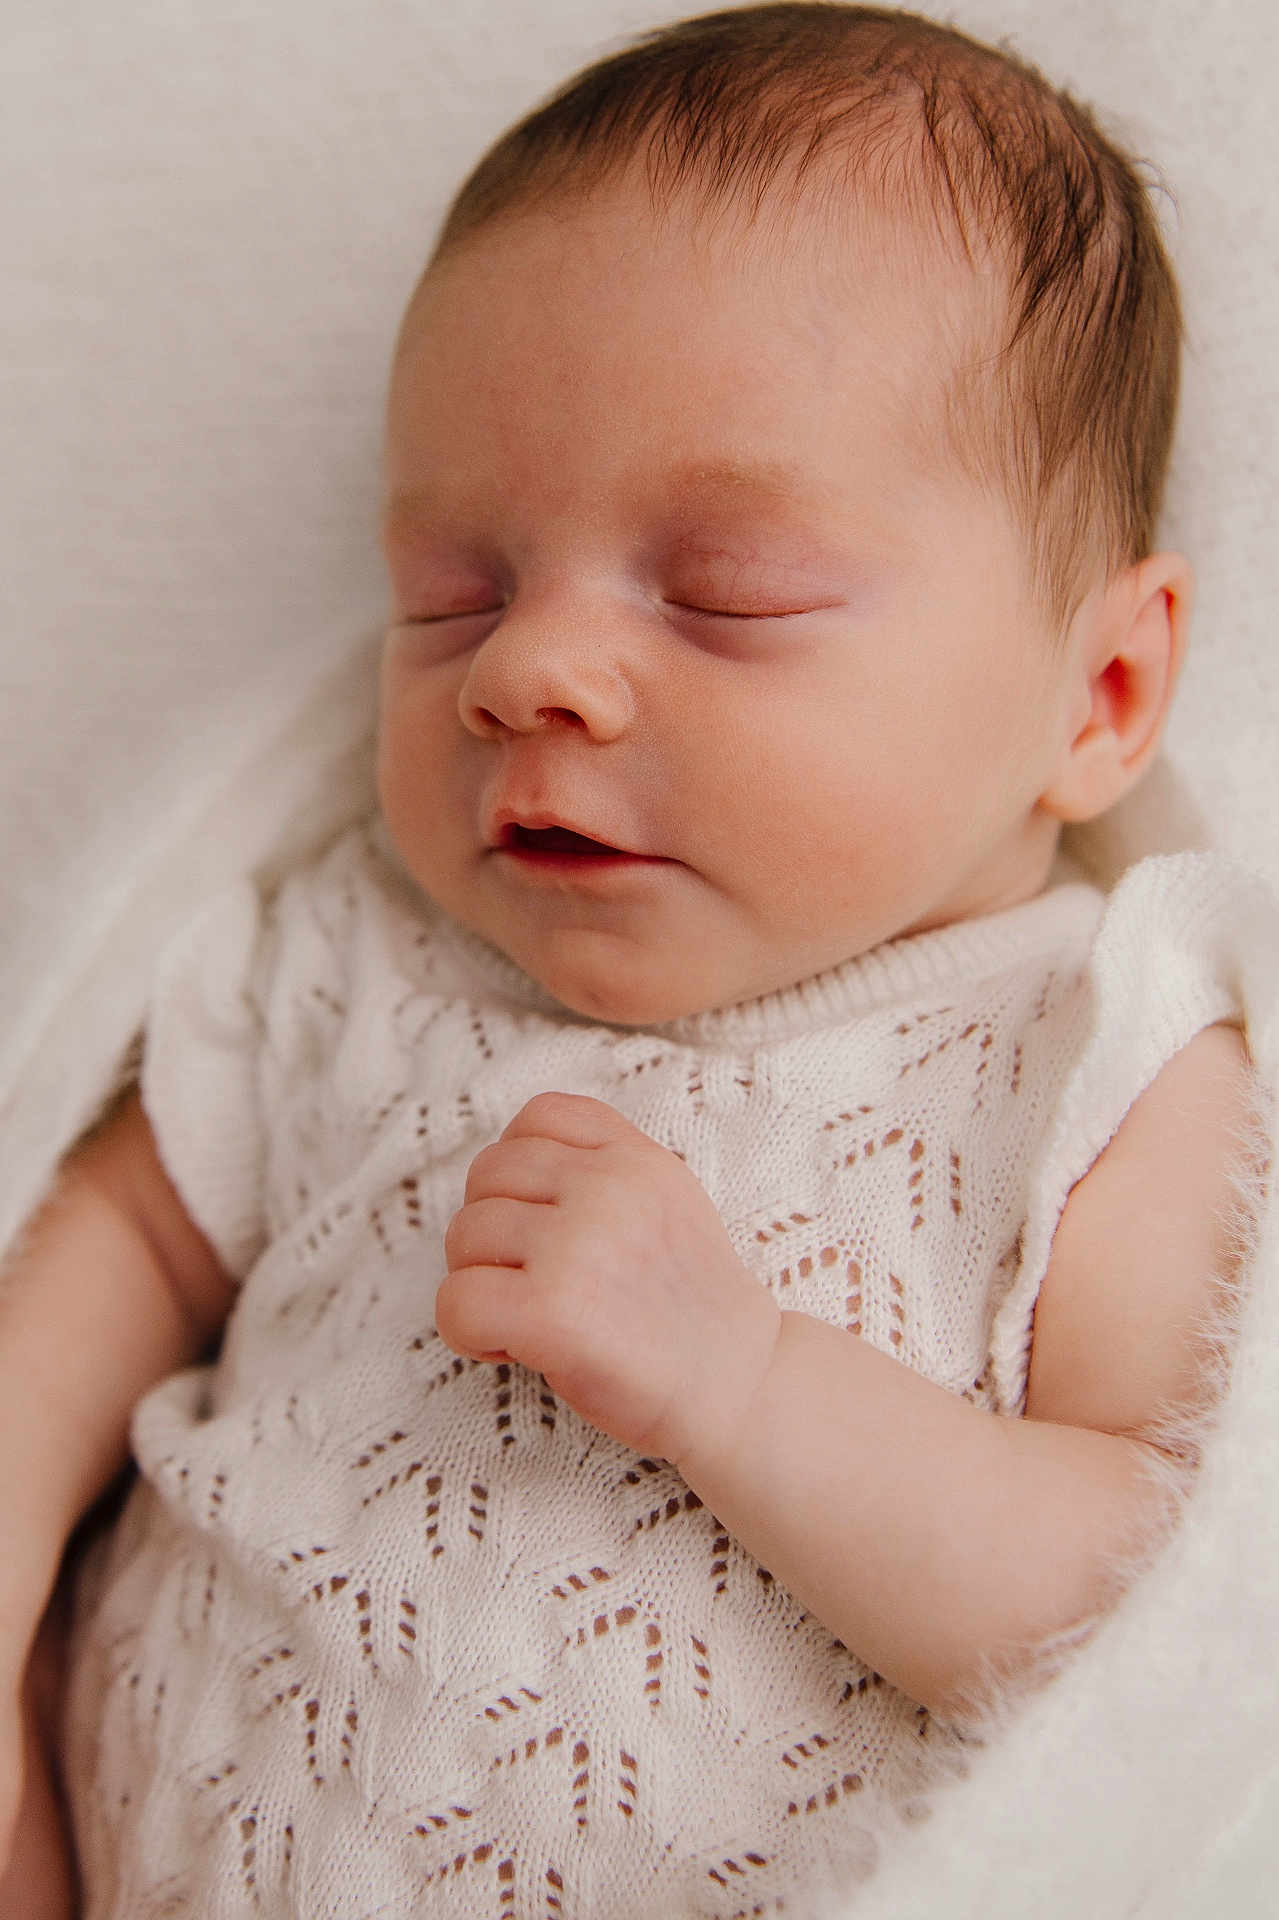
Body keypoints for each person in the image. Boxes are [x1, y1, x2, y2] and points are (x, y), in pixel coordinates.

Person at [0, 4, 1268, 1915]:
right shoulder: (369, 942)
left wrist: (743, 1381)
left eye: (724, 595)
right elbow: (123, 1235)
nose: (525, 670)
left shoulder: (1093, 1060)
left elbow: (1153, 1609)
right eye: (454, 595)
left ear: (1099, 693)